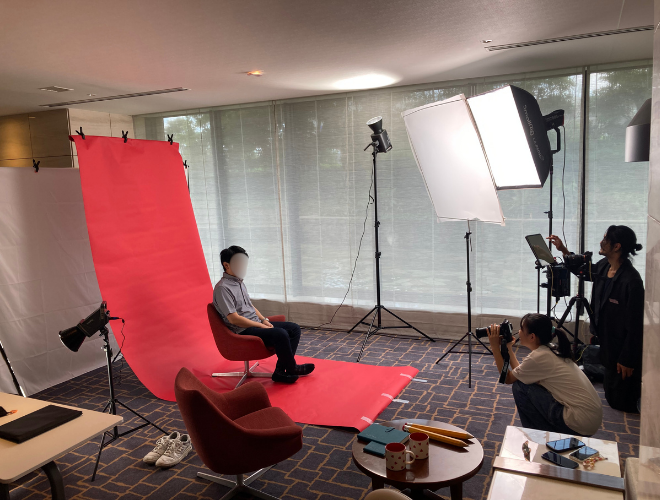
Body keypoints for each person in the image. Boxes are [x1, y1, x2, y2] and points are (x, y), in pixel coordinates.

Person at [548, 226, 644, 413]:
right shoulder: (605, 266)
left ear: (616, 246)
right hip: (607, 341)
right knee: (611, 395)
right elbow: (583, 271)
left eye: (605, 239)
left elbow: (635, 326)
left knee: (622, 403)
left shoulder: (631, 281)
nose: (601, 242)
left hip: (621, 347)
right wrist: (563, 250)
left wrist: (627, 359)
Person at [488, 313, 602, 436]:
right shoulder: (550, 349)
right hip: (589, 419)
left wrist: (494, 347)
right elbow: (520, 374)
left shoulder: (538, 357)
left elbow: (508, 378)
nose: (519, 331)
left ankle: (537, 436)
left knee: (519, 387)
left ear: (532, 336)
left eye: (521, 329)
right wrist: (509, 348)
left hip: (578, 422)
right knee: (523, 383)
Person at [213, 245, 314, 384]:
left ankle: (280, 371)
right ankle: (292, 368)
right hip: (242, 330)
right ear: (226, 265)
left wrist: (263, 320)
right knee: (280, 334)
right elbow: (234, 319)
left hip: (254, 323)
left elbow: (250, 306)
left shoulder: (239, 282)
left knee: (294, 328)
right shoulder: (222, 288)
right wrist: (260, 326)